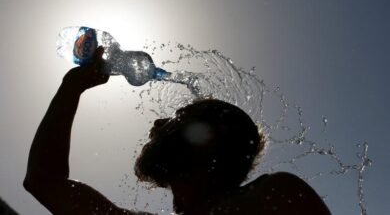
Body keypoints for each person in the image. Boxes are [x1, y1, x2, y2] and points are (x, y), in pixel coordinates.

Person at [24, 47, 331, 215]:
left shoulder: (276, 197)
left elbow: (45, 182)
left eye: (179, 116)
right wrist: (71, 87)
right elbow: (44, 182)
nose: (157, 123)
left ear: (213, 139)